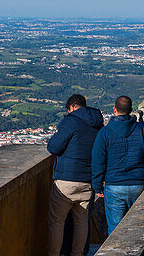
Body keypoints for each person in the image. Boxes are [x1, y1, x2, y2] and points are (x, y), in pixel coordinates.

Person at [46, 94, 104, 256]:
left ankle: (54, 254)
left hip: (66, 180)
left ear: (71, 107)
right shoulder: (97, 123)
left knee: (57, 222)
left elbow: (54, 147)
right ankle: (78, 254)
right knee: (81, 222)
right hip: (87, 180)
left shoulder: (69, 121)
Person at [90, 95, 144, 237]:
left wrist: (97, 186)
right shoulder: (142, 130)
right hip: (138, 183)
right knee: (138, 227)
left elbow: (97, 162)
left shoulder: (104, 133)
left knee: (115, 230)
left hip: (114, 186)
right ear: (131, 110)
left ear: (114, 109)